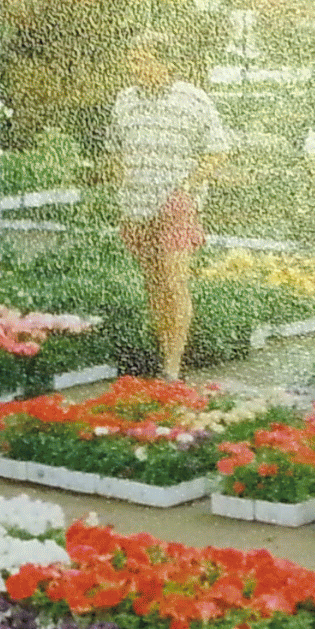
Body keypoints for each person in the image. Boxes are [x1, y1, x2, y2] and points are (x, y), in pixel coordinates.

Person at [110, 29, 232, 379]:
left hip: (177, 205)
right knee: (154, 284)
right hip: (136, 206)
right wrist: (125, 188)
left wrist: (189, 187)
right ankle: (163, 351)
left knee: (174, 281)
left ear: (164, 62)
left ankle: (173, 367)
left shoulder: (193, 99)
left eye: (140, 59)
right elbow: (115, 149)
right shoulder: (124, 100)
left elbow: (218, 149)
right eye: (131, 59)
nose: (132, 66)